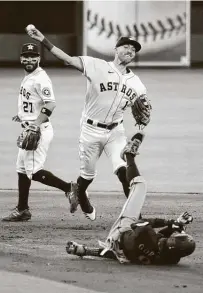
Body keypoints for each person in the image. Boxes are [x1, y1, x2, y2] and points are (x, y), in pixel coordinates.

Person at [26, 25, 151, 221]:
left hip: (116, 132)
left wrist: (143, 123)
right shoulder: (97, 65)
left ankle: (135, 218)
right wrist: (43, 40)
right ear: (116, 50)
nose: (130, 51)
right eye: (126, 47)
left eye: (133, 50)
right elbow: (67, 59)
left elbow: (143, 113)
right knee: (87, 176)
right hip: (90, 130)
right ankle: (80, 196)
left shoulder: (137, 84)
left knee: (123, 172)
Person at [66, 131, 195, 265]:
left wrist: (171, 222)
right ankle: (83, 250)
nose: (174, 236)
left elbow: (142, 223)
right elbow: (160, 239)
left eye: (174, 238)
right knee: (124, 247)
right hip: (119, 251)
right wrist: (84, 250)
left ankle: (128, 155)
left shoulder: (148, 235)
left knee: (140, 185)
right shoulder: (170, 258)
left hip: (121, 230)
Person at [2, 43, 77, 222]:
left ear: (38, 58)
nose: (29, 59)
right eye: (26, 56)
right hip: (31, 127)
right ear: (21, 58)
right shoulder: (30, 76)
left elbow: (50, 104)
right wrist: (23, 116)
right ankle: (22, 210)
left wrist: (34, 124)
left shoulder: (41, 78)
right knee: (21, 170)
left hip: (38, 130)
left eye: (32, 56)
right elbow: (33, 102)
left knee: (34, 171)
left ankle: (69, 188)